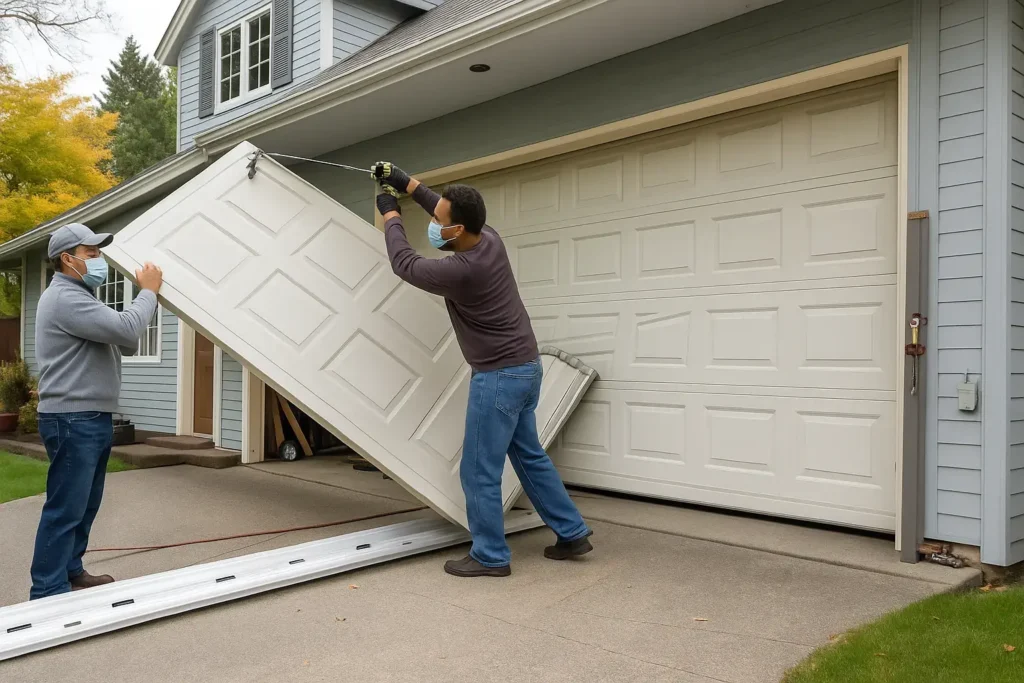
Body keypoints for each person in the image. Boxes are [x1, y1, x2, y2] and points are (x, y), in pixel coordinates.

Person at [372, 162, 593, 578]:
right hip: (526, 368)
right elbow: (442, 205)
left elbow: (405, 264)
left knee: (479, 470)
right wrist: (406, 182)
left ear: (456, 231)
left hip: (499, 378)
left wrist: (391, 214)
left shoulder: (462, 271)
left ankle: (490, 556)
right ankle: (572, 532)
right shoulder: (488, 237)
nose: (434, 221)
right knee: (529, 456)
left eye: (439, 221)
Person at [29, 223, 163, 600]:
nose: (99, 260)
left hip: (88, 416)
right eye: (92, 254)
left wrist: (131, 323)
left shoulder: (80, 296)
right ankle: (47, 592)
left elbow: (125, 338)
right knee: (65, 507)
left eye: (99, 253)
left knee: (84, 504)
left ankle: (70, 571)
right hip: (73, 418)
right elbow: (127, 330)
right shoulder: (66, 298)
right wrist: (148, 292)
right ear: (67, 259)